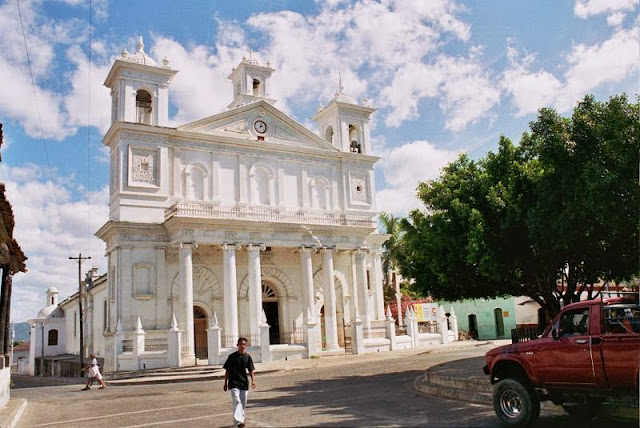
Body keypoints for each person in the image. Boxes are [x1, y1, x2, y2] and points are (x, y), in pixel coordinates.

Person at [223, 337, 255, 428]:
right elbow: (227, 371)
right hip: (233, 383)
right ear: (237, 345)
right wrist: (225, 383)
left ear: (246, 346)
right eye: (241, 344)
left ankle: (238, 422)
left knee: (243, 403)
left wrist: (253, 381)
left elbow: (251, 370)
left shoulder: (248, 357)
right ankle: (239, 421)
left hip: (244, 383)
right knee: (237, 400)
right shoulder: (232, 357)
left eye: (244, 344)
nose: (242, 346)